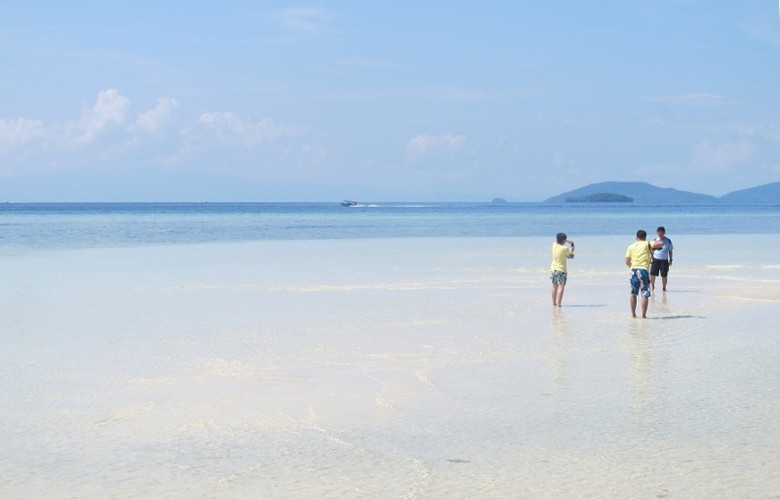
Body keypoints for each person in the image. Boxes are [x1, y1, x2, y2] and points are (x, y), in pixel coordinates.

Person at [625, 229, 652, 318]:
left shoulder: (631, 246)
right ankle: (643, 315)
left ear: (636, 237)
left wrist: (632, 267)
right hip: (643, 270)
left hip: (634, 270)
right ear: (645, 237)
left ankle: (633, 314)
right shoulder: (647, 244)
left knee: (633, 293)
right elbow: (660, 244)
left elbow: (627, 261)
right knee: (644, 293)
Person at [550, 232, 575, 307]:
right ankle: (559, 304)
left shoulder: (554, 245)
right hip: (561, 270)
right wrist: (572, 247)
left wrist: (566, 240)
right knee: (561, 287)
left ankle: (554, 303)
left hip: (553, 269)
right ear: (564, 240)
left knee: (554, 286)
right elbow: (570, 257)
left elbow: (557, 240)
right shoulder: (565, 249)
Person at [650, 226, 673, 292]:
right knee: (652, 274)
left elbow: (670, 251)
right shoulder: (655, 240)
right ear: (657, 233)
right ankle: (652, 286)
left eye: (662, 233)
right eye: (659, 233)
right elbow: (652, 250)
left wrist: (671, 259)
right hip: (655, 259)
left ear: (664, 233)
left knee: (664, 275)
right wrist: (650, 258)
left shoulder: (668, 240)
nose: (660, 235)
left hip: (664, 260)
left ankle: (664, 287)